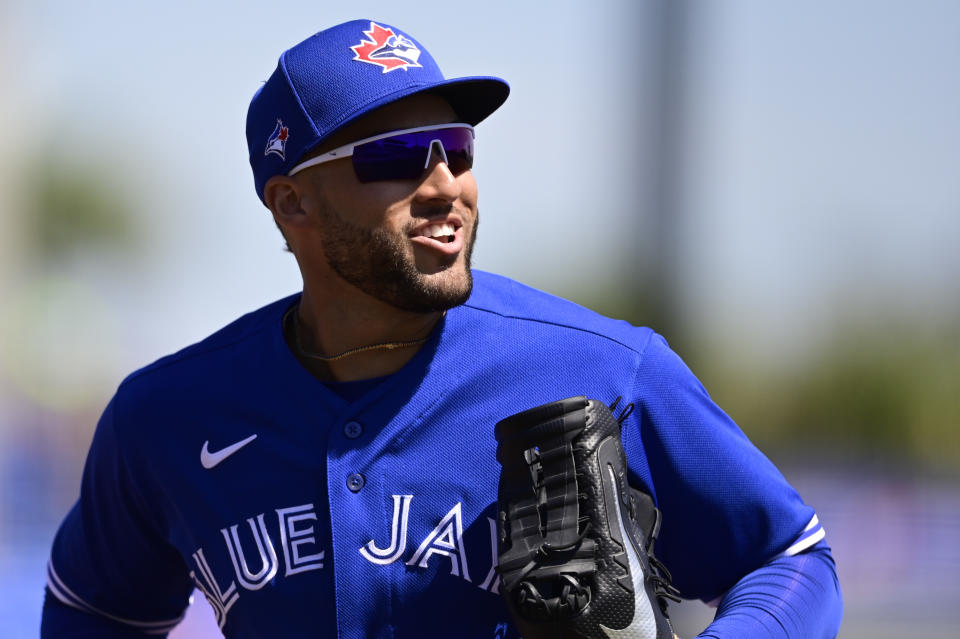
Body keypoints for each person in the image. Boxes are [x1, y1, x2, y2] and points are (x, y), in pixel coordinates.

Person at [42, 19, 843, 639]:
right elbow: (97, 611)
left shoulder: (604, 369)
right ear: (292, 203)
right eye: (393, 156)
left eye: (456, 149)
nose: (445, 185)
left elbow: (791, 558)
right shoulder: (167, 418)